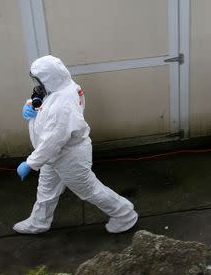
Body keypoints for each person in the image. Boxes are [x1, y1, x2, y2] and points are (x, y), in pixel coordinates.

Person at [15, 55, 138, 235]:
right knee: (46, 190)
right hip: (54, 157)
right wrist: (32, 106)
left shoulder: (62, 105)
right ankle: (38, 222)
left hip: (68, 157)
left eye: (38, 79)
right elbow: (46, 105)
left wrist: (31, 163)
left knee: (89, 189)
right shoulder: (65, 87)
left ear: (49, 78)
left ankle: (125, 214)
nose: (37, 84)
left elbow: (52, 140)